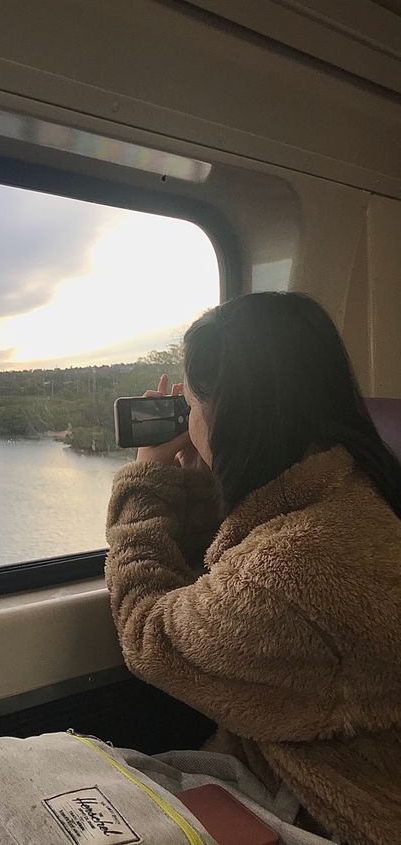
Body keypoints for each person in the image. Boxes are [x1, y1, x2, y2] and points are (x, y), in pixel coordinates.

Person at [105, 292, 401, 845]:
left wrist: (146, 480)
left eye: (193, 406)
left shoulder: (289, 574)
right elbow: (247, 538)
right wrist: (203, 481)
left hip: (342, 811)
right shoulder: (361, 488)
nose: (186, 420)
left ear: (230, 413)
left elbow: (148, 631)